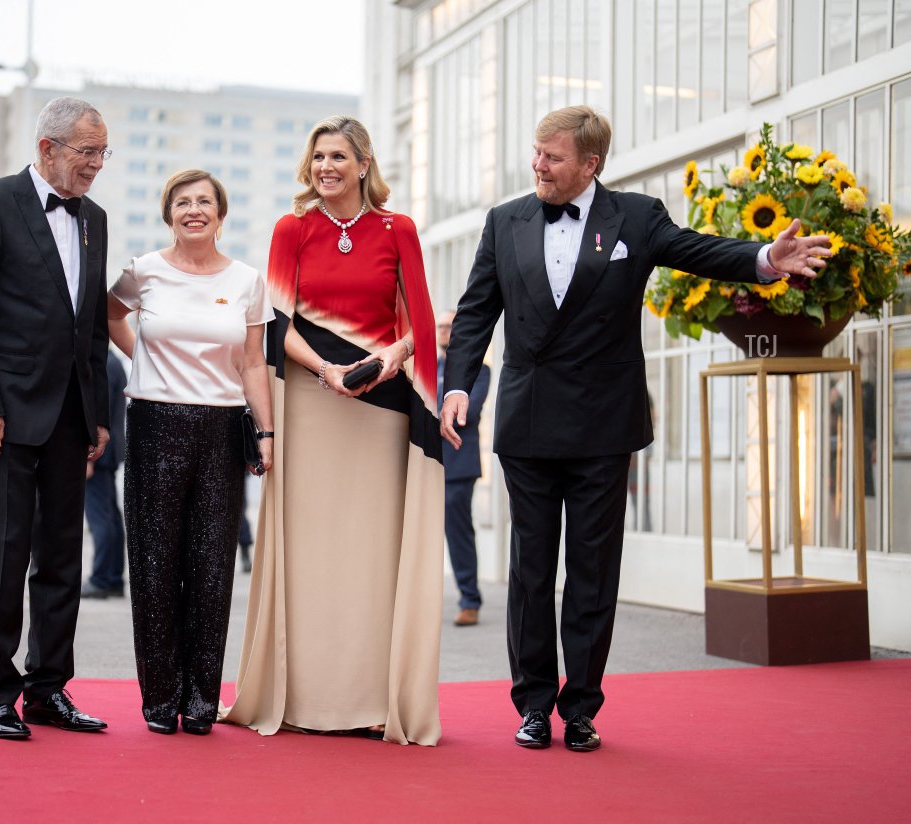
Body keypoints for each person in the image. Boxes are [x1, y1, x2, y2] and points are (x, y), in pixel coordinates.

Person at [440, 106, 833, 753]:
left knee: (593, 570)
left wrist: (765, 257)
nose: (537, 165)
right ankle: (534, 705)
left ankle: (582, 708)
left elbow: (699, 252)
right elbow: (478, 310)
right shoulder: (503, 221)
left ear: (590, 164)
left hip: (604, 421)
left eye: (552, 157)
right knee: (532, 572)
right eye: (535, 153)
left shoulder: (637, 217)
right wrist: (457, 386)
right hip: (528, 420)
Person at [222, 116, 444, 746]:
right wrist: (328, 369)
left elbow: (421, 323)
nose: (326, 166)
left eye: (339, 156)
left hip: (381, 412)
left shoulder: (398, 230)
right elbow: (275, 323)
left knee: (372, 553)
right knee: (310, 552)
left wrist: (388, 361)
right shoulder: (291, 229)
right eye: (319, 156)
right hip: (312, 408)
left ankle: (373, 700)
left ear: (364, 163)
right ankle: (301, 698)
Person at [0, 96, 113, 740]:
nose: (97, 164)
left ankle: (48, 689)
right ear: (47, 148)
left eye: (103, 151)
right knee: (5, 553)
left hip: (72, 417)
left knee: (60, 557)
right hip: (7, 415)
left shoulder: (94, 219)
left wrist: (98, 416)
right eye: (87, 151)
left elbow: (93, 327)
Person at [108, 169, 274, 736]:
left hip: (223, 428)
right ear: (169, 213)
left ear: (221, 214)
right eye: (183, 202)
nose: (194, 209)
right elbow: (111, 317)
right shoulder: (143, 272)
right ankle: (159, 699)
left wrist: (268, 434)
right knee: (154, 564)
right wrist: (144, 365)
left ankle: (202, 699)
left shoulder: (249, 280)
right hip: (154, 421)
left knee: (211, 567)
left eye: (205, 201)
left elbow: (253, 362)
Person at [437, 310, 489, 627]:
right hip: (426, 459)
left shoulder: (479, 371)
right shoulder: (426, 370)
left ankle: (470, 599)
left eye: (449, 326)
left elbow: (465, 411)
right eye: (440, 327)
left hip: (458, 463)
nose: (444, 331)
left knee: (458, 533)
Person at [81, 350, 128, 599]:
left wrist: (87, 458)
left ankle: (102, 578)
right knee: (110, 517)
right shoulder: (113, 362)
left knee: (100, 518)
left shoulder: (104, 364)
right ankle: (113, 579)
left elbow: (99, 411)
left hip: (99, 454)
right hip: (107, 453)